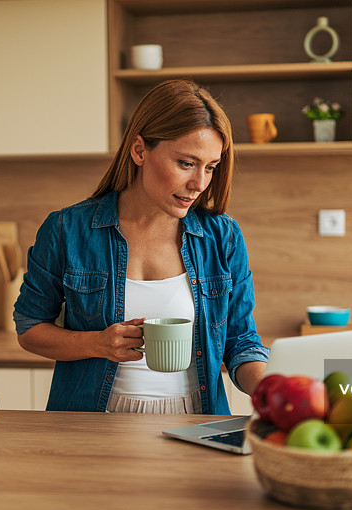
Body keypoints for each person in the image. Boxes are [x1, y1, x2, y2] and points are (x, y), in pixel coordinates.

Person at [14, 79, 268, 414]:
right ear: (139, 150)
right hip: (92, 422)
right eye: (186, 163)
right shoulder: (67, 230)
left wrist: (271, 390)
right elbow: (30, 328)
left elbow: (241, 341)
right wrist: (96, 343)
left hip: (195, 419)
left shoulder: (223, 237)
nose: (199, 184)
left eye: (211, 167)